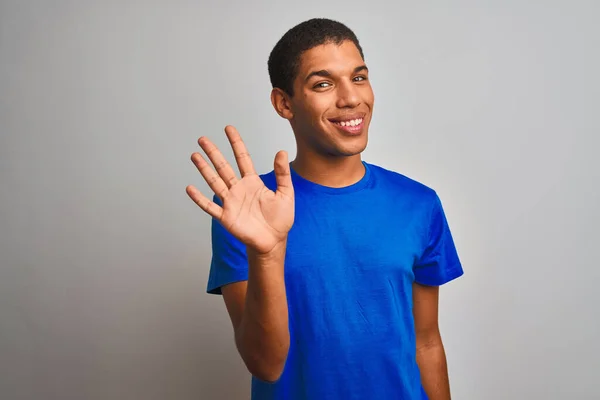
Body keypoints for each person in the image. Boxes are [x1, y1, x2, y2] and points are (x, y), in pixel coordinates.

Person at [186, 18, 464, 400]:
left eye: (359, 77)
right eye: (323, 84)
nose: (351, 98)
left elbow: (427, 342)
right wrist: (267, 253)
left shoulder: (418, 204)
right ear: (285, 103)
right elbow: (265, 364)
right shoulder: (246, 210)